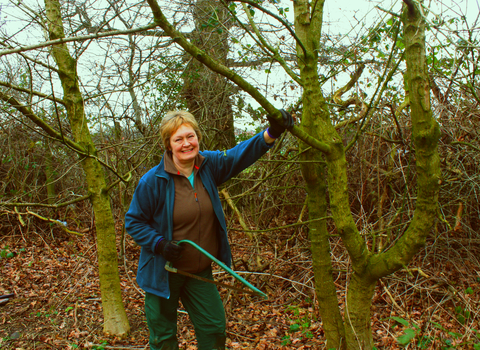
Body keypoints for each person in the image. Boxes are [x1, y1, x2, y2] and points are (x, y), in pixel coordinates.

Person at [125, 109, 293, 350]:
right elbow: (134, 221)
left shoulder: (208, 165)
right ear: (168, 145)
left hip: (199, 272)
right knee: (163, 339)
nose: (186, 144)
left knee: (214, 330)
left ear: (198, 137)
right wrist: (159, 243)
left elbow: (239, 155)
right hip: (162, 274)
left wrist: (272, 133)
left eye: (190, 136)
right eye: (178, 139)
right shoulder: (153, 181)